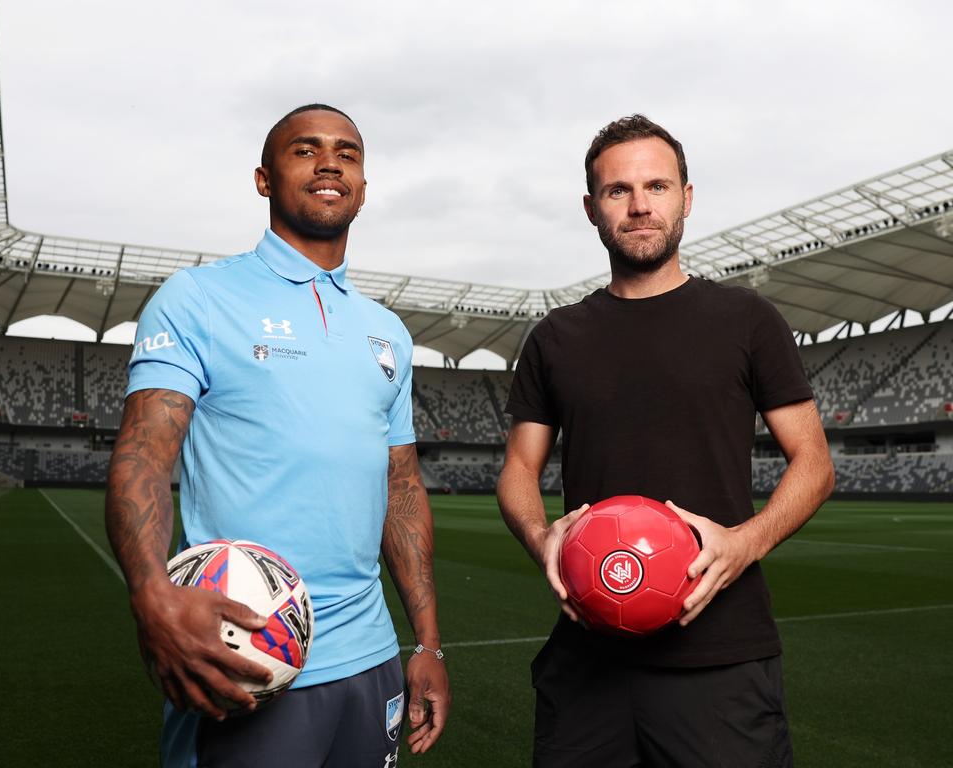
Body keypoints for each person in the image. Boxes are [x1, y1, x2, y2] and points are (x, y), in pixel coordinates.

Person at [106, 104, 449, 768]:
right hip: (247, 654)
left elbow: (401, 487)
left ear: (364, 187)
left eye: (347, 154)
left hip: (371, 659)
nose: (329, 163)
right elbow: (143, 455)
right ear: (264, 179)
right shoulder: (197, 298)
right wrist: (150, 594)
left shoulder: (389, 334)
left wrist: (428, 644)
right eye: (305, 150)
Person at [497, 114, 834, 767]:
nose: (641, 204)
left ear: (687, 197)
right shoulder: (556, 337)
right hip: (586, 658)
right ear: (592, 208)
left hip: (721, 659)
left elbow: (814, 464)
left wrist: (744, 544)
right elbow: (517, 467)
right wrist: (542, 539)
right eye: (618, 190)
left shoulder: (747, 321)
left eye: (657, 185)